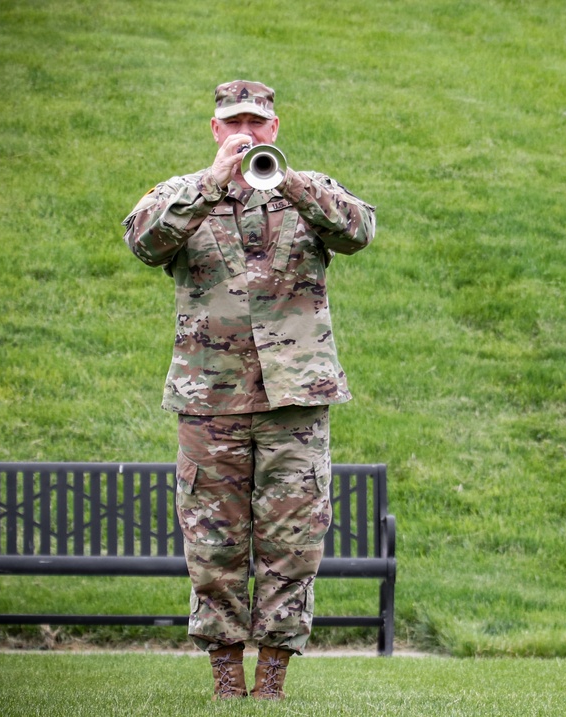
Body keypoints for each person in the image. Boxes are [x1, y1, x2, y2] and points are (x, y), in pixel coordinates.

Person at [122, 80, 375, 699]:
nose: (247, 133)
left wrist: (289, 182)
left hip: (294, 401)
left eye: (257, 123)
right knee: (214, 543)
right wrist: (212, 183)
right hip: (210, 402)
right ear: (214, 129)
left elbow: (359, 229)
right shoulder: (181, 195)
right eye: (234, 122)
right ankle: (226, 677)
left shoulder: (309, 190)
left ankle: (273, 681)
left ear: (275, 127)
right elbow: (142, 241)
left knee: (294, 543)